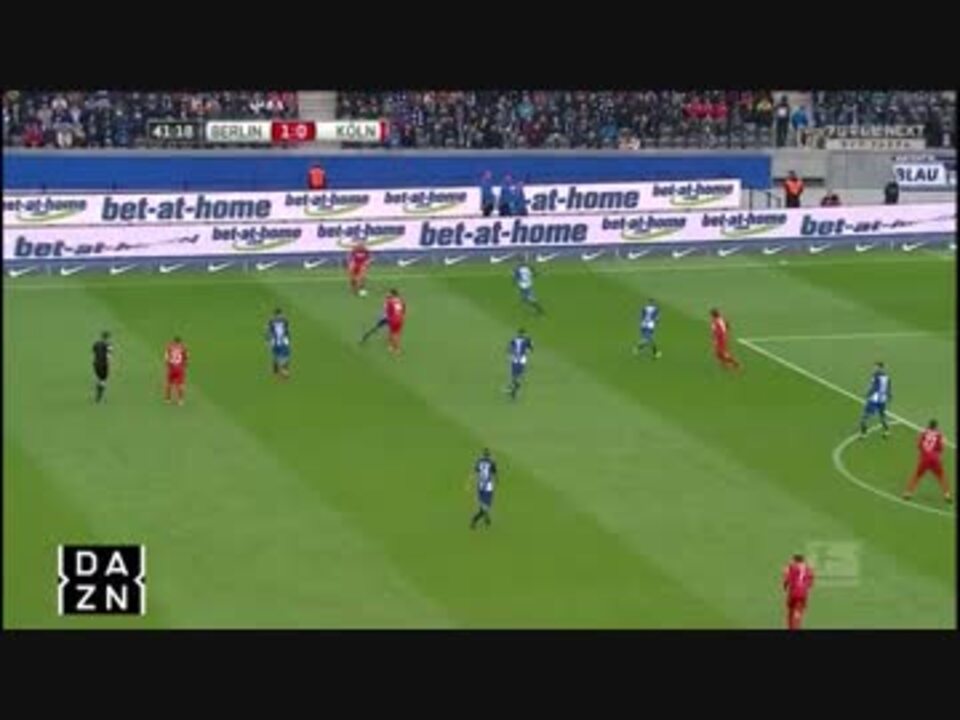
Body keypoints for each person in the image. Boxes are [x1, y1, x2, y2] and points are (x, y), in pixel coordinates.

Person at [903, 420, 952, 503]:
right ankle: (947, 495)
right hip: (935, 459)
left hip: (924, 458)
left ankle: (908, 493)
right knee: (941, 476)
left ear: (929, 425)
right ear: (936, 426)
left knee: (917, 476)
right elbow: (941, 448)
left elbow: (919, 445)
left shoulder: (923, 433)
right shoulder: (939, 435)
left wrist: (923, 452)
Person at [859, 361, 892, 439]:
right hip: (882, 399)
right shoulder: (887, 377)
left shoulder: (875, 376)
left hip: (874, 399)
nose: (874, 369)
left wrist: (867, 394)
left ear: (880, 368)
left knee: (865, 416)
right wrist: (889, 396)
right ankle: (887, 431)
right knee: (882, 416)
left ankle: (864, 433)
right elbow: (888, 388)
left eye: (876, 367)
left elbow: (874, 387)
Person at [782, 553, 814, 630]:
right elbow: (810, 583)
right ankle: (796, 626)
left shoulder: (791, 567)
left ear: (795, 560)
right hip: (803, 594)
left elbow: (786, 579)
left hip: (793, 592)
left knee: (790, 612)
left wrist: (785, 586)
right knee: (798, 612)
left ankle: (791, 627)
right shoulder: (809, 569)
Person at [469, 448, 498, 530]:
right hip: (488, 486)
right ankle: (480, 518)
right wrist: (497, 481)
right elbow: (495, 473)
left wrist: (469, 483)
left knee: (483, 506)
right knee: (486, 506)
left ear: (483, 454)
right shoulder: (492, 462)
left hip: (480, 486)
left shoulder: (479, 461)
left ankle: (476, 520)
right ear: (489, 455)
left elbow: (474, 472)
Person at [505, 329, 534, 400]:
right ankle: (513, 389)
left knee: (516, 375)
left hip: (517, 359)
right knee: (516, 375)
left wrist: (509, 354)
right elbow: (531, 349)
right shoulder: (525, 340)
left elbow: (509, 348)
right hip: (519, 359)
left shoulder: (516, 340)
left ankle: (513, 389)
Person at [265, 308, 291, 379]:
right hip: (275, 341)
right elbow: (268, 330)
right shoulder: (271, 321)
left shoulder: (285, 320)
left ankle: (284, 370)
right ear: (275, 315)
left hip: (284, 341)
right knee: (276, 356)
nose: (279, 316)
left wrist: (288, 338)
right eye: (278, 315)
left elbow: (287, 330)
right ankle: (277, 370)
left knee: (286, 356)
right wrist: (267, 339)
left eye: (280, 315)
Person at [164, 336, 188, 405]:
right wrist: (184, 366)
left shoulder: (169, 347)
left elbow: (166, 358)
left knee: (169, 383)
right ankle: (180, 400)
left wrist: (168, 365)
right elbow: (186, 358)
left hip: (172, 367)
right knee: (180, 385)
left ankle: (168, 399)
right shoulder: (183, 348)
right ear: (180, 342)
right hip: (179, 368)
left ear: (174, 341)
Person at [92, 331, 112, 403]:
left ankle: (98, 393)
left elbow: (94, 353)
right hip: (104, 364)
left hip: (96, 363)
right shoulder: (108, 345)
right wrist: (108, 364)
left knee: (99, 378)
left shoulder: (96, 344)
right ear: (107, 337)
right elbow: (108, 356)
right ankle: (99, 396)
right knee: (103, 380)